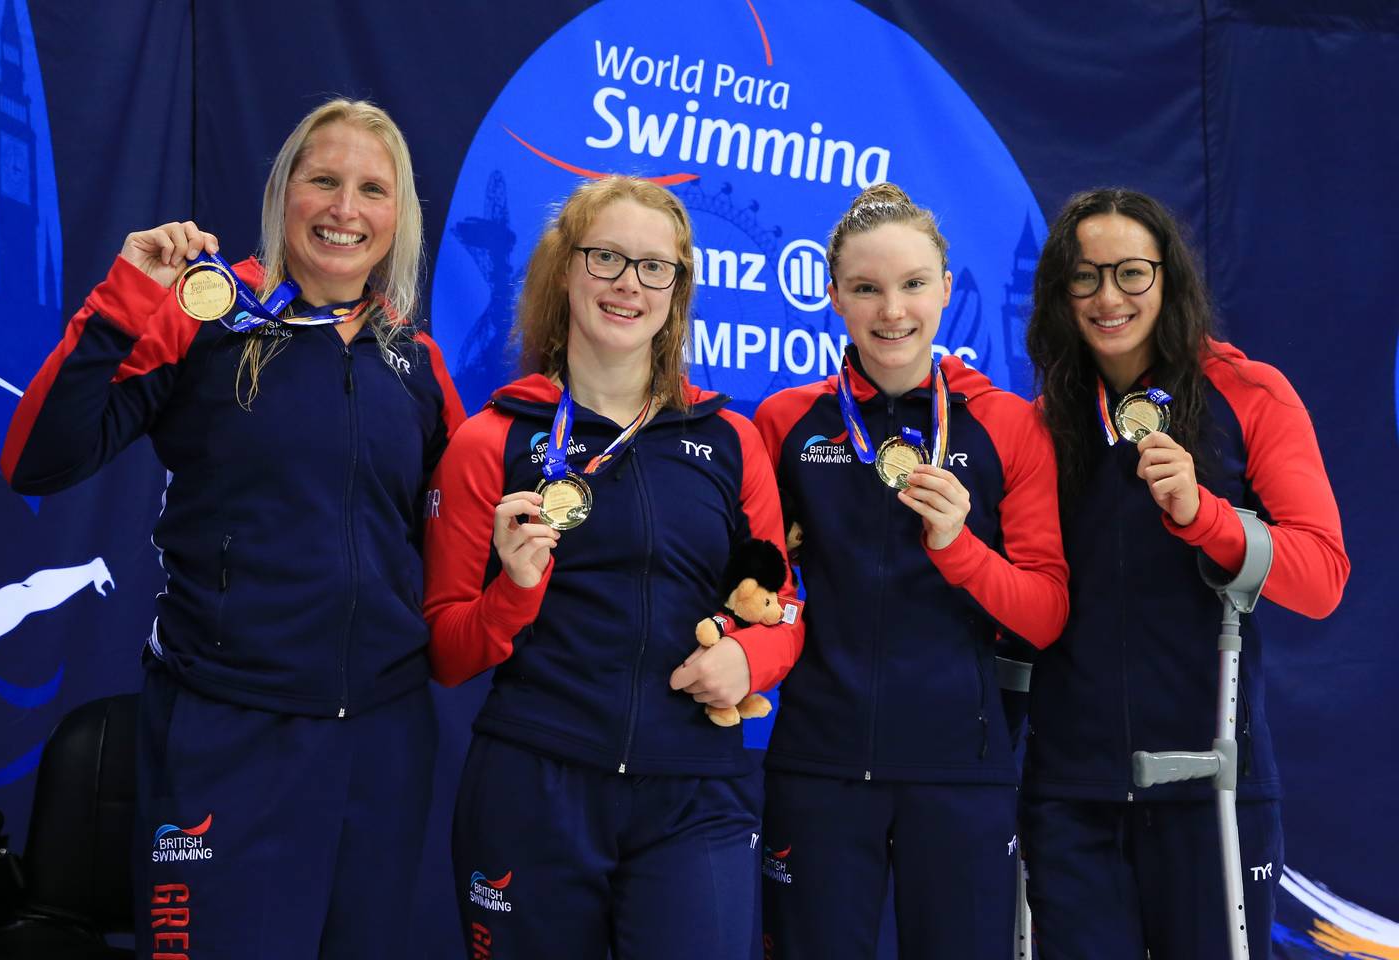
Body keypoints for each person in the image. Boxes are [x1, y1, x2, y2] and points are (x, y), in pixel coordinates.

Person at [2, 98, 464, 958]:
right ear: (282, 191)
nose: (344, 210)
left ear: (399, 218)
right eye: (322, 180)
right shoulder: (203, 316)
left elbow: (454, 551)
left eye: (372, 189)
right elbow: (39, 461)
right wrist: (123, 297)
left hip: (384, 738)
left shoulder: (418, 362)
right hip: (230, 730)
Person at [424, 174, 802, 960]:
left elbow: (784, 604)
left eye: (654, 266)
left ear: (678, 289)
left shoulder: (729, 440)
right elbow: (448, 651)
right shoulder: (490, 442)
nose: (629, 284)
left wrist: (748, 657)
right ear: (565, 270)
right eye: (605, 258)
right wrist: (513, 595)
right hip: (534, 787)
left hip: (694, 793)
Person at [1021, 187, 1349, 959]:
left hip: (1213, 783)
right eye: (1085, 276)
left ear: (1169, 278)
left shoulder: (1249, 393)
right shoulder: (1041, 419)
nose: (1108, 297)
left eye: (1132, 273)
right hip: (1075, 791)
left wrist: (1206, 517)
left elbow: (1323, 576)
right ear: (1058, 291)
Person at [752, 182, 1069, 959]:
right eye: (867, 288)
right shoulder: (784, 423)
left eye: (913, 285)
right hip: (819, 765)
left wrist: (959, 547)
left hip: (960, 771)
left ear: (947, 289)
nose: (892, 310)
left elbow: (1046, 613)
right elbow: (753, 582)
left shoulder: (1006, 424)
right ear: (833, 296)